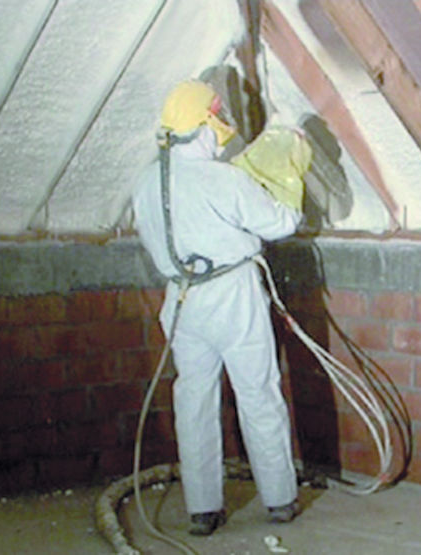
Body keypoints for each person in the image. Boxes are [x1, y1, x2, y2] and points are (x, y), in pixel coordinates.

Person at [132, 80, 303, 536]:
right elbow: (280, 223)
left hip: (182, 299)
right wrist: (292, 173)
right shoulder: (221, 178)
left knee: (193, 400)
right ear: (203, 126)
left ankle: (202, 508)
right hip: (232, 294)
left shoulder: (145, 184)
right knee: (257, 393)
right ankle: (280, 498)